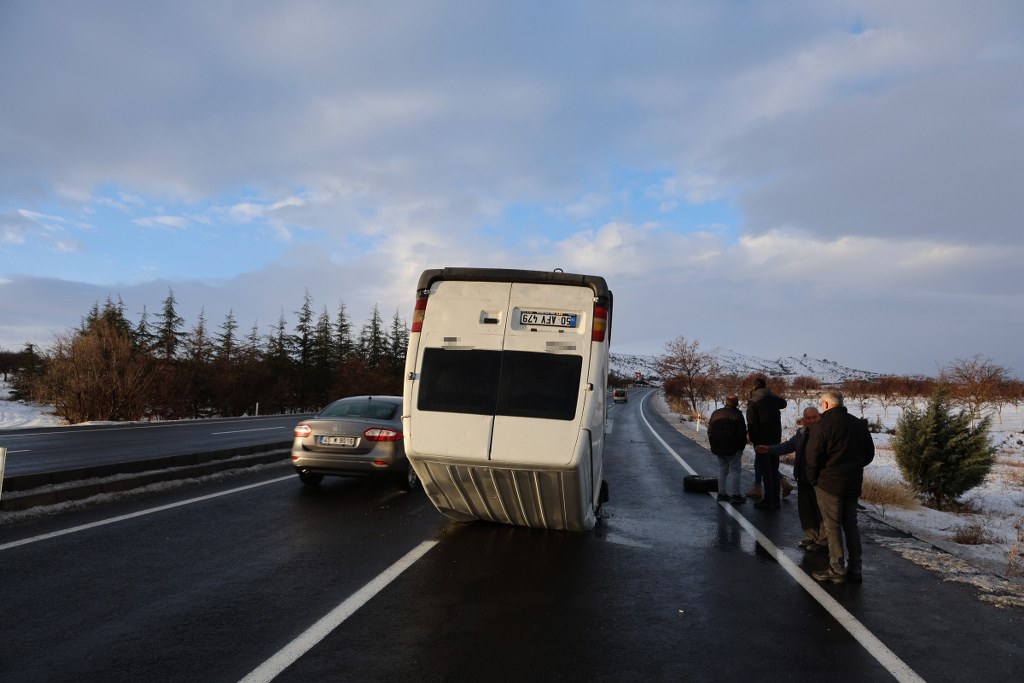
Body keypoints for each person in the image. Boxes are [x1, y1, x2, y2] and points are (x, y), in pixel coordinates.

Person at [805, 390, 875, 584]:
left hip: (829, 483)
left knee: (832, 526)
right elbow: (869, 453)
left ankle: (836, 568)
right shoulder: (858, 424)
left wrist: (814, 479)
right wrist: (854, 467)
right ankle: (855, 567)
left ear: (826, 405)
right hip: (852, 482)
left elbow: (812, 457)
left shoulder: (821, 426)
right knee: (851, 525)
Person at [756, 407, 825, 551]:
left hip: (820, 479)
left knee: (821, 511)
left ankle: (823, 541)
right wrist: (769, 449)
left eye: (814, 417)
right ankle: (811, 537)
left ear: (819, 417)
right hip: (803, 477)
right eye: (808, 418)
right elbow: (788, 446)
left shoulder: (826, 433)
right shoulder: (801, 433)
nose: (811, 421)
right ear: (803, 420)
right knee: (806, 510)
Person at [746, 377, 788, 510]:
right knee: (774, 469)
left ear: (754, 387)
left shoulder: (753, 401)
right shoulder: (773, 399)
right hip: (775, 438)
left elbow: (751, 422)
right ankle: (775, 500)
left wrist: (753, 439)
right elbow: (784, 403)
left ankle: (768, 500)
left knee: (766, 471)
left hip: (761, 440)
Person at [707, 394, 748, 504]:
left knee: (722, 469)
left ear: (726, 402)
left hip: (718, 447)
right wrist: (741, 447)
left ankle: (721, 494)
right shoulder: (738, 415)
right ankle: (736, 495)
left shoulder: (716, 413)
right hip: (733, 449)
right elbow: (742, 433)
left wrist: (713, 444)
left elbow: (710, 430)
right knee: (735, 470)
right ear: (736, 403)